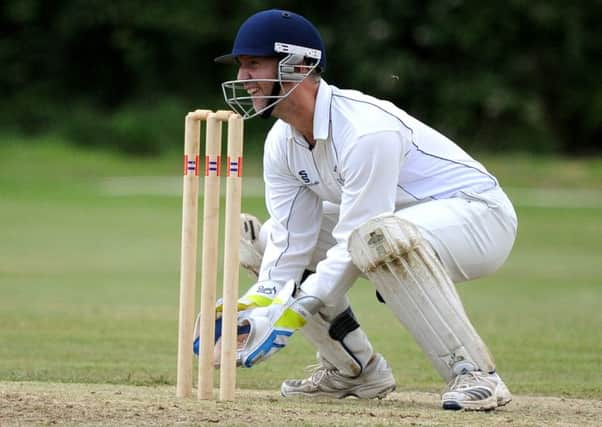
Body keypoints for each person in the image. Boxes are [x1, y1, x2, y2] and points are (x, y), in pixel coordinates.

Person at [208, 8, 518, 411]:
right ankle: (353, 370)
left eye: (254, 64)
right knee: (264, 241)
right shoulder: (280, 143)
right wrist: (260, 304)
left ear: (298, 65)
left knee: (378, 238)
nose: (243, 78)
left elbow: (357, 237)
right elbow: (291, 245)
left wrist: (293, 315)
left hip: (479, 218)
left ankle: (476, 374)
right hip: (395, 226)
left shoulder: (366, 131)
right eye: (241, 66)